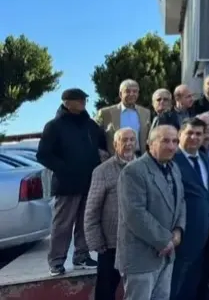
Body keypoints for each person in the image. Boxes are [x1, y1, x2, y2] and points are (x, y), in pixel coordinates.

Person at [37, 87, 107, 276]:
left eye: (84, 99)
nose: (84, 102)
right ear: (67, 103)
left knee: (86, 222)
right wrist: (65, 169)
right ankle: (56, 261)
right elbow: (43, 155)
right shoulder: (54, 126)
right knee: (62, 225)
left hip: (90, 183)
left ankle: (81, 256)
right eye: (79, 99)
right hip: (67, 185)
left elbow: (102, 148)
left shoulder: (91, 125)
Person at [117, 125, 186, 300]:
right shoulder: (134, 171)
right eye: (165, 141)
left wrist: (178, 230)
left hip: (167, 254)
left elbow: (181, 202)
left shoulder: (174, 168)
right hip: (141, 256)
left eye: (175, 141)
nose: (172, 146)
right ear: (150, 144)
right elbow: (135, 213)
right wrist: (165, 240)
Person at [84, 128, 136, 300]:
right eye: (124, 140)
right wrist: (96, 241)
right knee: (106, 290)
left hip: (141, 242)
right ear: (115, 145)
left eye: (132, 140)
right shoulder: (102, 171)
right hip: (111, 243)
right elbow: (92, 210)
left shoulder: (145, 166)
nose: (128, 144)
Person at [170, 118, 209, 300]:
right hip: (182, 232)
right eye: (190, 133)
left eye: (198, 134)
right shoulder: (172, 160)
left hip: (206, 231)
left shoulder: (205, 158)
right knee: (176, 283)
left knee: (194, 282)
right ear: (180, 134)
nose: (194, 137)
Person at [97, 79, 151, 155]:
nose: (131, 94)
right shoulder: (106, 113)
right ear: (120, 94)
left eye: (135, 91)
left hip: (139, 157)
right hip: (116, 158)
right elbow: (95, 134)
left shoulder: (145, 112)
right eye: (128, 91)